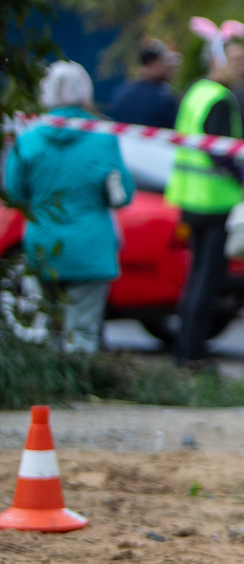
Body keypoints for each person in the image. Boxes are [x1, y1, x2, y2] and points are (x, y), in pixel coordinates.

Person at [3, 63, 132, 353]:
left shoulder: (28, 138)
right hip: (91, 246)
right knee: (83, 331)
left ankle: (48, 380)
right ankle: (79, 378)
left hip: (42, 245)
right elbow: (122, 195)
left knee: (48, 328)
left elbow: (14, 193)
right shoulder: (103, 136)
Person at [171, 20, 244, 367]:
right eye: (237, 60)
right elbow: (220, 152)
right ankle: (193, 352)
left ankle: (186, 347)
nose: (243, 67)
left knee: (196, 276)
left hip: (190, 198)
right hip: (215, 200)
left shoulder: (196, 92)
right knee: (208, 278)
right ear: (217, 60)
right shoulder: (219, 98)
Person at [110, 40, 180, 128]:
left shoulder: (121, 91)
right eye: (164, 62)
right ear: (153, 63)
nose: (170, 68)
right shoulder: (165, 98)